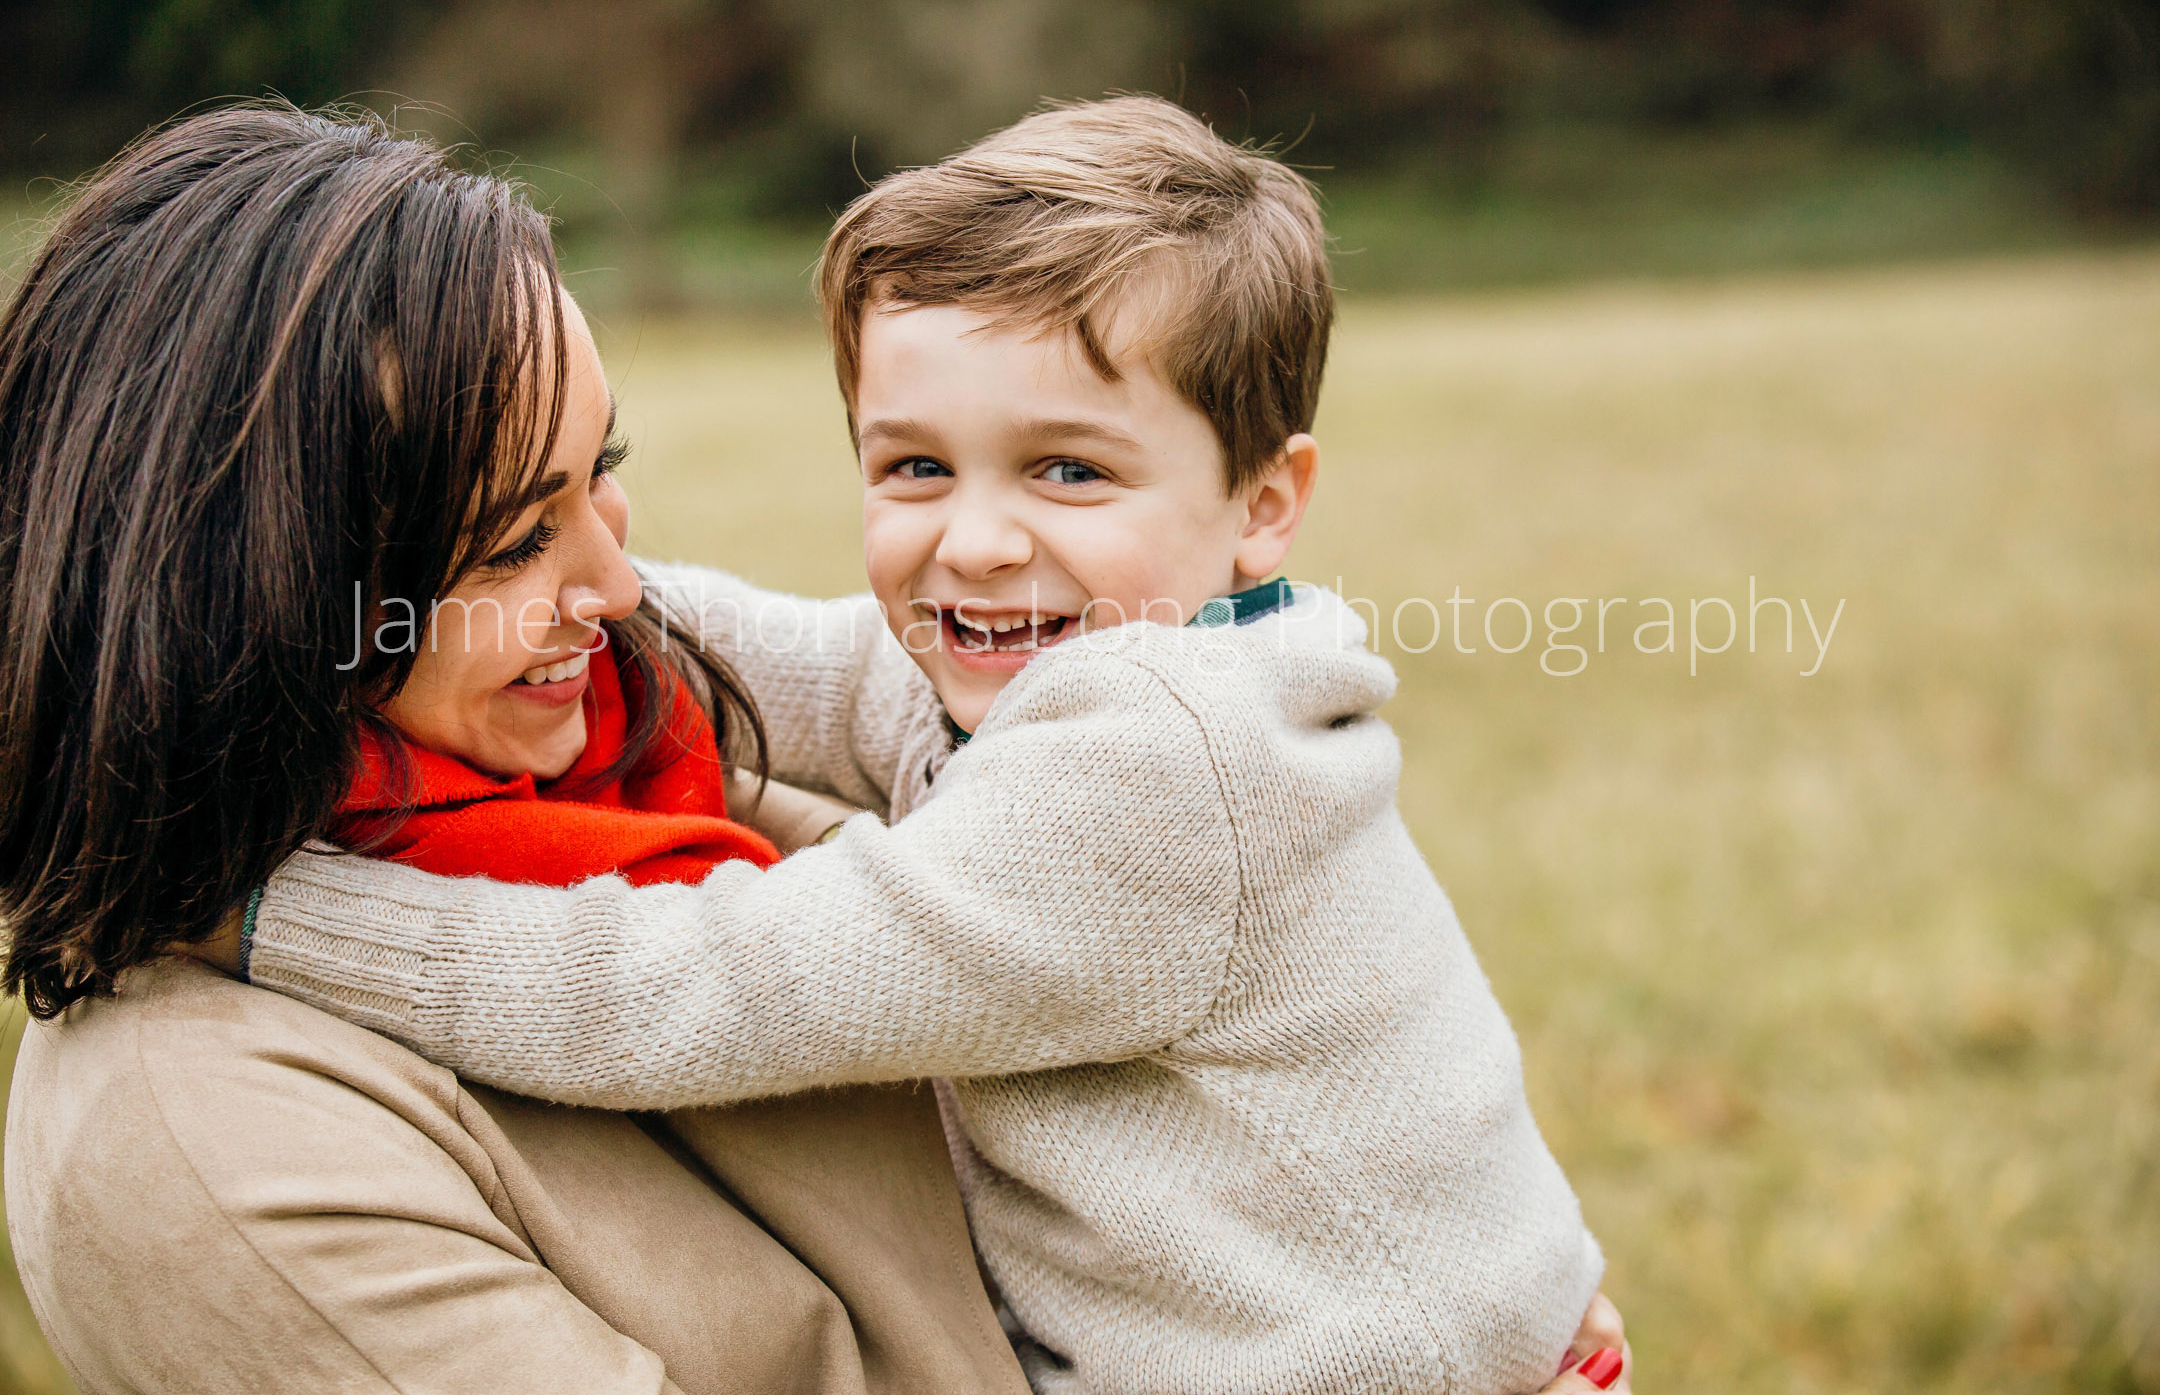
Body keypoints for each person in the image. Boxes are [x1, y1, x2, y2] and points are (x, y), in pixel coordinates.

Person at [233, 98, 1635, 1395]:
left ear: (1263, 504)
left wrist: (272, 917)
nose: (972, 542)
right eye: (915, 466)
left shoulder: (1154, 767)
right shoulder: (1061, 665)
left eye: (1067, 470)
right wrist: (477, 583)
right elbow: (781, 655)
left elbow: (704, 986)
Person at [0, 104, 1031, 1394]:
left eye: (600, 467)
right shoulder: (197, 1134)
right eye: (510, 540)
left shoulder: (625, 772)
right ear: (255, 600)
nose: (616, 586)